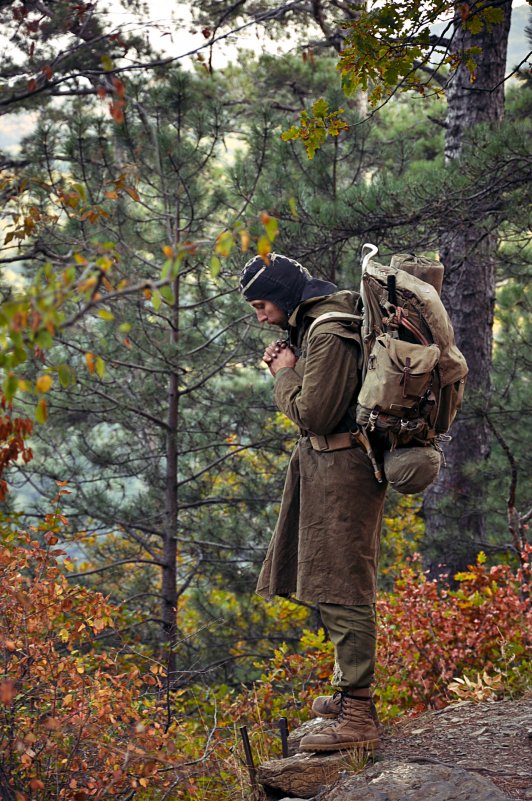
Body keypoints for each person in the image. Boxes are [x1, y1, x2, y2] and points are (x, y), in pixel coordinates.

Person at [239, 252, 388, 753]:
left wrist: (283, 373)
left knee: (343, 583)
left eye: (262, 305)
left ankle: (359, 712)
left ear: (283, 297)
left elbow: (313, 413)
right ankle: (348, 690)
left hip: (343, 469)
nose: (260, 316)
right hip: (329, 468)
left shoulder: (326, 331)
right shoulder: (322, 324)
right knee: (327, 577)